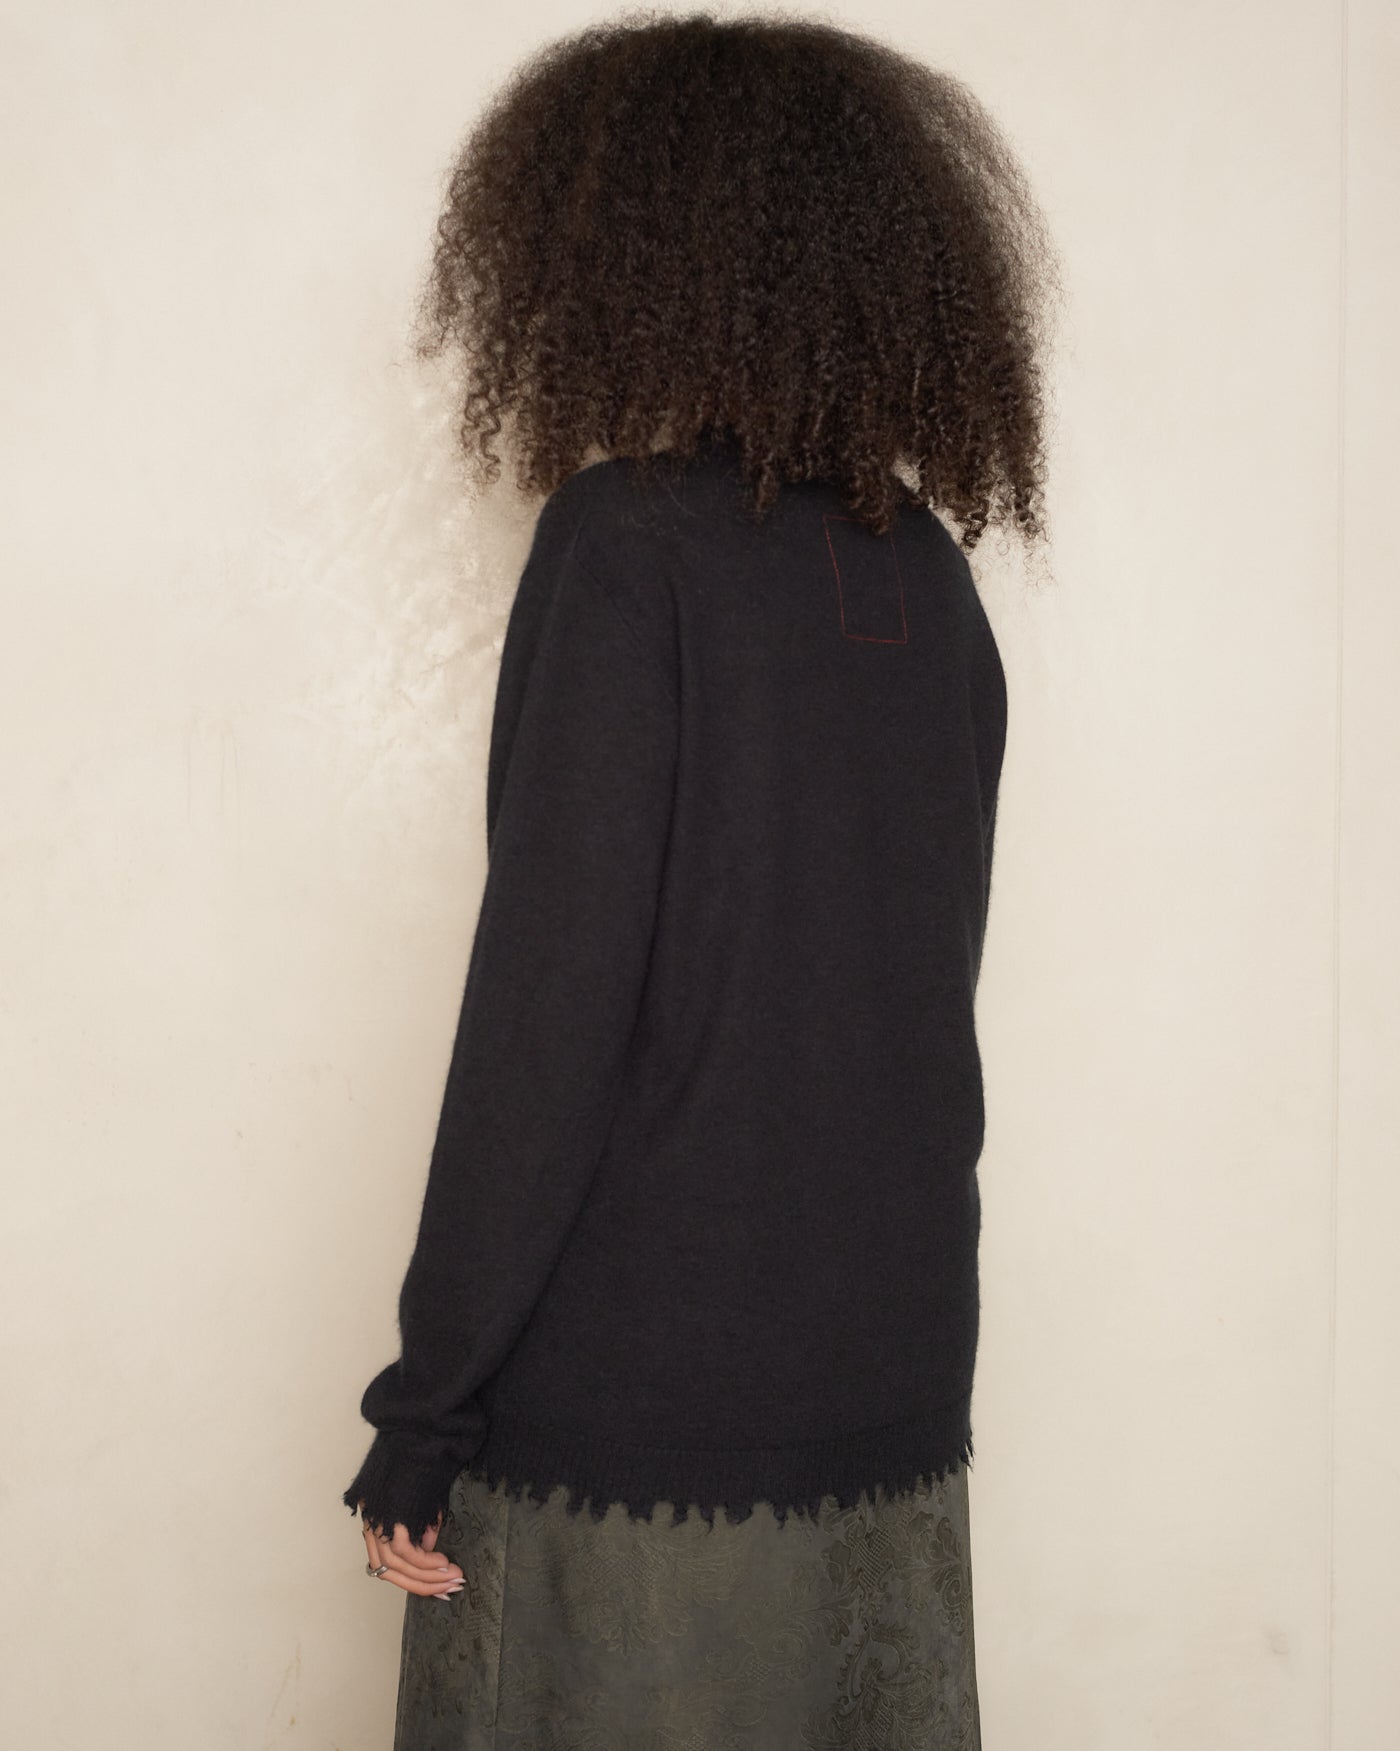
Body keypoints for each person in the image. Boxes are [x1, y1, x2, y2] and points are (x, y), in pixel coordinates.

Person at [341, 9, 1061, 1745]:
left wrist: (426, 1411)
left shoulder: (628, 548)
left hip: (633, 1419)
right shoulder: (935, 587)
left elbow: (547, 1023)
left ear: (627, 264)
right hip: (892, 1386)